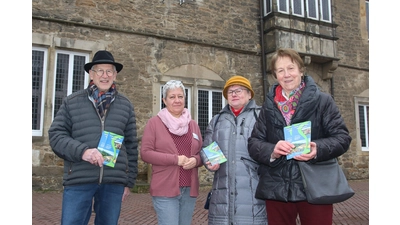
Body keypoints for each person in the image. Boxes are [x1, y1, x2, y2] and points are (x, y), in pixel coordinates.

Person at [248, 48, 352, 225]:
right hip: (276, 186)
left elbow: (342, 138)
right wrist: (272, 150)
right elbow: (254, 143)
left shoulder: (323, 101)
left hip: (314, 184)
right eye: (280, 70)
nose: (286, 74)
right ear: (275, 75)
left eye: (291, 68)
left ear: (301, 71)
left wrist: (317, 149)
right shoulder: (268, 105)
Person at [48, 50, 138, 225]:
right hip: (79, 179)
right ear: (91, 74)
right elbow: (56, 136)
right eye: (100, 71)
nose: (105, 76)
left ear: (115, 74)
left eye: (109, 71)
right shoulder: (72, 102)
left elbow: (132, 145)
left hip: (113, 182)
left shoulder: (126, 105)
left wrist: (128, 182)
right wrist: (83, 152)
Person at [200, 75, 267, 224]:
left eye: (239, 90)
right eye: (230, 92)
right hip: (221, 198)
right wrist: (208, 160)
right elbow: (206, 147)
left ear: (249, 94)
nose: (234, 94)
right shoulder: (217, 120)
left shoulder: (262, 116)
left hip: (253, 196)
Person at [140, 80, 203, 225]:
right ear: (164, 100)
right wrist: (175, 159)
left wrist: (196, 160)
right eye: (172, 97)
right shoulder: (154, 123)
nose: (177, 100)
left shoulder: (193, 124)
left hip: (189, 189)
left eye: (180, 97)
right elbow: (146, 153)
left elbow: (201, 153)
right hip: (164, 188)